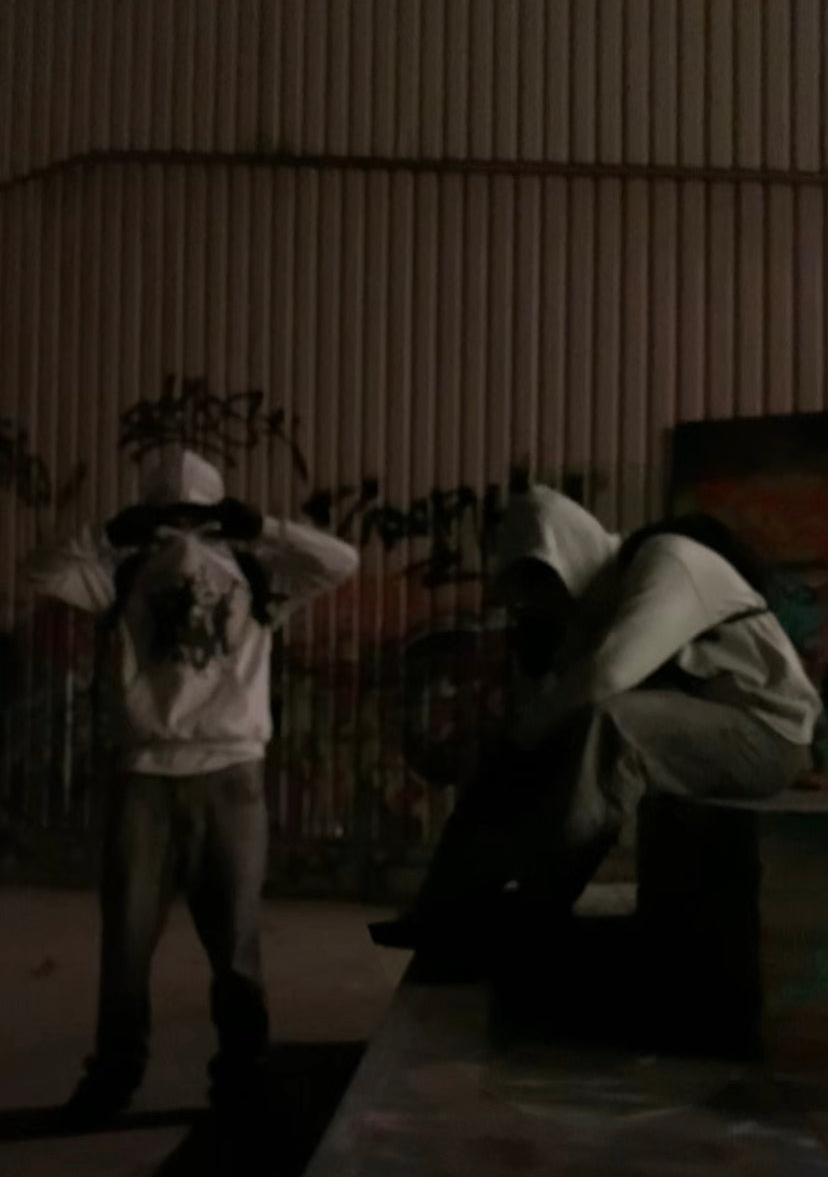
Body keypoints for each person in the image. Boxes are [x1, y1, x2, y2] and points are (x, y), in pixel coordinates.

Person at [372, 484, 821, 986]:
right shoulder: (597, 603)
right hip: (707, 735)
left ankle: (539, 910)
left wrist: (532, 728)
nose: (540, 603)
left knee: (611, 723)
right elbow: (555, 703)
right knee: (519, 748)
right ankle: (442, 910)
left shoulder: (669, 561)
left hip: (770, 738)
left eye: (543, 584)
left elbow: (608, 675)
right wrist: (516, 746)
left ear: (569, 557)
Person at [25, 447, 358, 1123]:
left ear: (217, 514)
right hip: (150, 773)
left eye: (195, 517)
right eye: (170, 518)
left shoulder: (256, 572)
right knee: (130, 944)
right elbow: (40, 572)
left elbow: (341, 561)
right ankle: (122, 1073)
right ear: (150, 516)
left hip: (225, 771)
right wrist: (107, 536)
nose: (184, 535)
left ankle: (239, 1071)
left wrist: (263, 528)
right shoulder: (124, 573)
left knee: (232, 943)